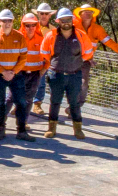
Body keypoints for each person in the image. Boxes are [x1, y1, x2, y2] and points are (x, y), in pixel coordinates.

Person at [0, 10, 30, 139]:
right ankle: (1, 129)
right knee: (0, 103)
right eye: (4, 21)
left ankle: (21, 131)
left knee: (21, 102)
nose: (7, 23)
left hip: (15, 75)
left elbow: (23, 57)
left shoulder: (19, 37)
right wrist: (3, 72)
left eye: (9, 21)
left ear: (13, 22)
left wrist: (13, 72)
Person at [47, 8, 88, 137]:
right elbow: (44, 52)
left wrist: (76, 62)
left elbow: (88, 53)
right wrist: (53, 65)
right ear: (58, 21)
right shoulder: (51, 35)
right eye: (63, 20)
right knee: (55, 102)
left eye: (68, 20)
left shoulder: (81, 35)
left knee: (74, 103)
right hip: (56, 75)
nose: (66, 22)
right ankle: (51, 128)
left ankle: (78, 129)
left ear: (72, 20)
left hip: (74, 75)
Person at [20, 10, 51, 134]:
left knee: (28, 98)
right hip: (20, 73)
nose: (31, 27)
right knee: (13, 97)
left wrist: (43, 70)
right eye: (28, 25)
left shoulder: (42, 39)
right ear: (23, 25)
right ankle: (1, 122)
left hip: (35, 74)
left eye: (33, 25)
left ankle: (23, 121)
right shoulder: (18, 38)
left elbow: (48, 56)